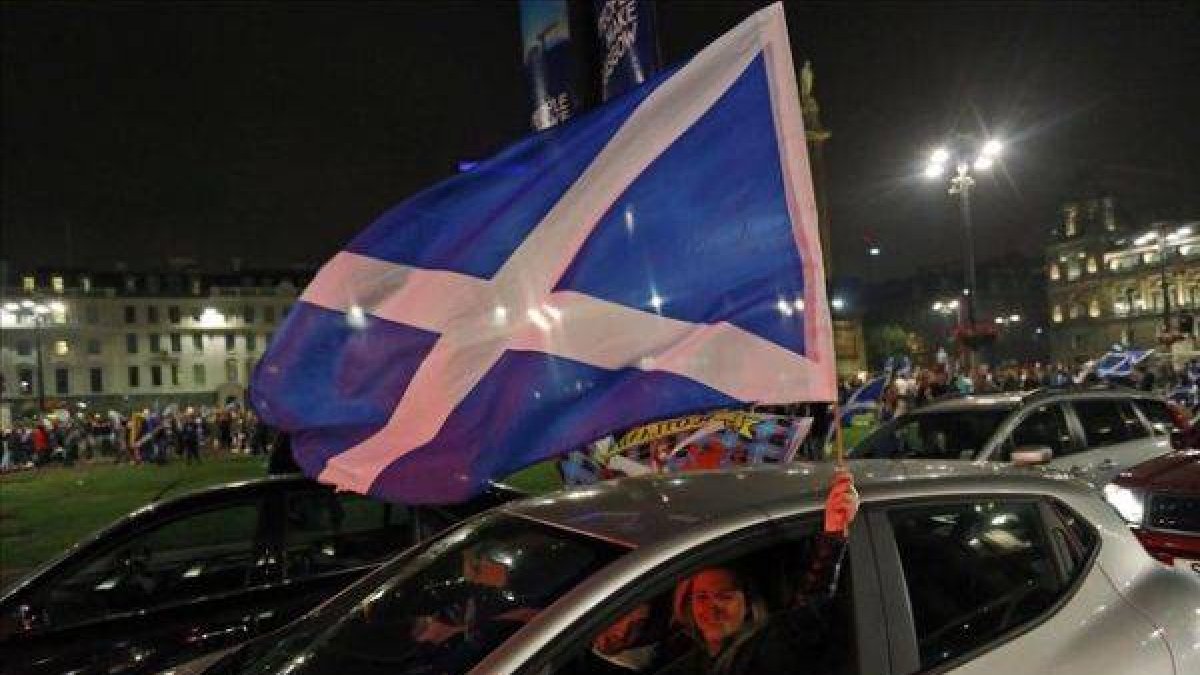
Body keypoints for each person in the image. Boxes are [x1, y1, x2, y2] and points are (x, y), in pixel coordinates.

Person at [656, 472, 859, 675]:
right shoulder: (685, 656)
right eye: (701, 597)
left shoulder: (766, 650)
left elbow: (808, 612)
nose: (712, 608)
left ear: (748, 604)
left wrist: (833, 535)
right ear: (687, 605)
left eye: (724, 596)